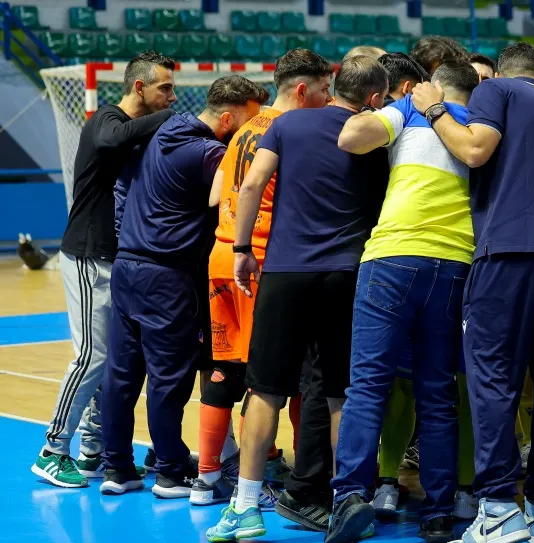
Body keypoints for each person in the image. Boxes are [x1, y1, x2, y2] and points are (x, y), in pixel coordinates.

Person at [411, 42, 534, 543]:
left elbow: (473, 149)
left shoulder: (494, 90)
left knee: (491, 376)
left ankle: (495, 508)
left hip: (508, 250)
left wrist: (434, 108)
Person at [205, 57, 390, 543]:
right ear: (374, 96)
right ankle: (348, 498)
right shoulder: (375, 132)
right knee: (338, 392)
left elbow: (249, 184)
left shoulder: (287, 124)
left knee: (265, 389)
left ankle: (245, 505)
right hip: (347, 274)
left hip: (286, 271)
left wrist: (242, 248)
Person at [325, 60, 482, 543]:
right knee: (437, 393)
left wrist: (398, 107)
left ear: (433, 87)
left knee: (368, 385)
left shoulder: (410, 111)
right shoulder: (479, 129)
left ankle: (351, 497)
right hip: (455, 263)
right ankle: (438, 514)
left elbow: (350, 137)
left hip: (392, 258)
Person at [100, 75, 268, 497]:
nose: (251, 134)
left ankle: (116, 468)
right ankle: (171, 471)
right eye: (248, 124)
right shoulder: (210, 153)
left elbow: (123, 189)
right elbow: (223, 199)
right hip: (166, 276)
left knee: (121, 374)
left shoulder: (159, 132)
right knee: (168, 378)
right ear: (228, 119)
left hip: (127, 266)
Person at [191, 49, 334, 508]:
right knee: (276, 378)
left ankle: (208, 475)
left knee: (223, 370)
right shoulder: (290, 131)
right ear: (300, 91)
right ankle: (274, 470)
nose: (328, 98)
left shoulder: (242, 131)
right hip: (259, 258)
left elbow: (218, 193)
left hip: (221, 252)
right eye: (323, 89)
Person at [31, 52, 176, 488]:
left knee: (115, 360)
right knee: (91, 355)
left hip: (116, 259)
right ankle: (53, 449)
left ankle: (93, 447)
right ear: (138, 88)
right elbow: (117, 138)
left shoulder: (134, 131)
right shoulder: (104, 122)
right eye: (164, 88)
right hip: (86, 254)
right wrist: (175, 117)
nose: (171, 96)